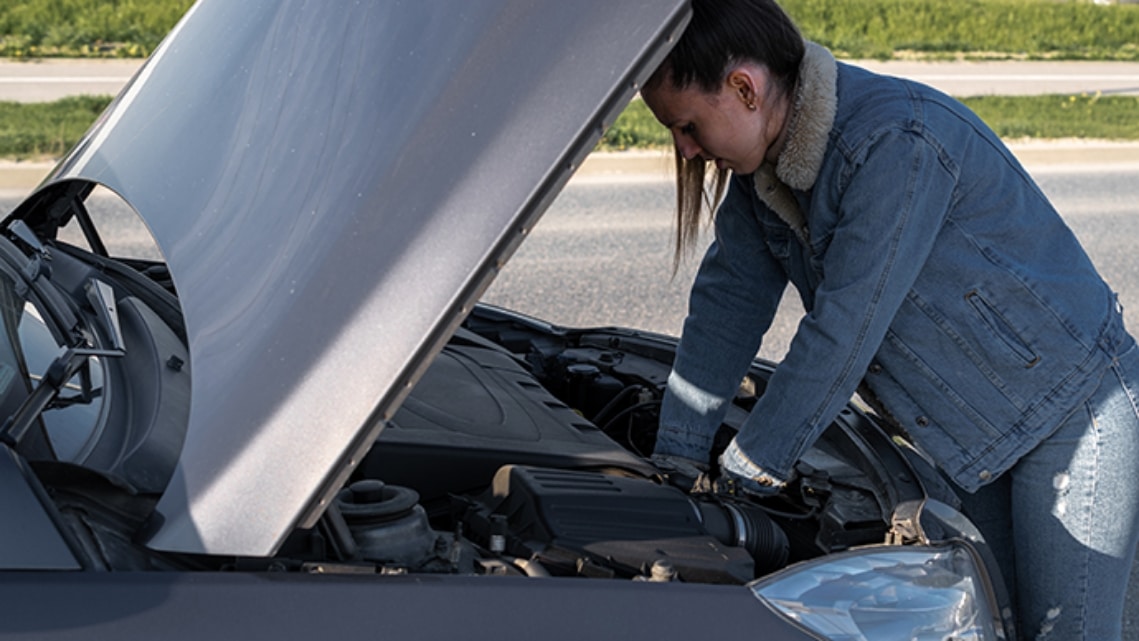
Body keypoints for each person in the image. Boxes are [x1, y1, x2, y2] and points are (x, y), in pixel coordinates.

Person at [641, 1, 1139, 639]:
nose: (683, 149)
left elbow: (847, 325)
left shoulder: (894, 142)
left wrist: (750, 467)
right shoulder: (763, 171)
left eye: (686, 125)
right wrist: (675, 458)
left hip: (1074, 416)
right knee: (996, 625)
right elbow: (726, 304)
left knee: (1064, 631)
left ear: (744, 87)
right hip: (974, 436)